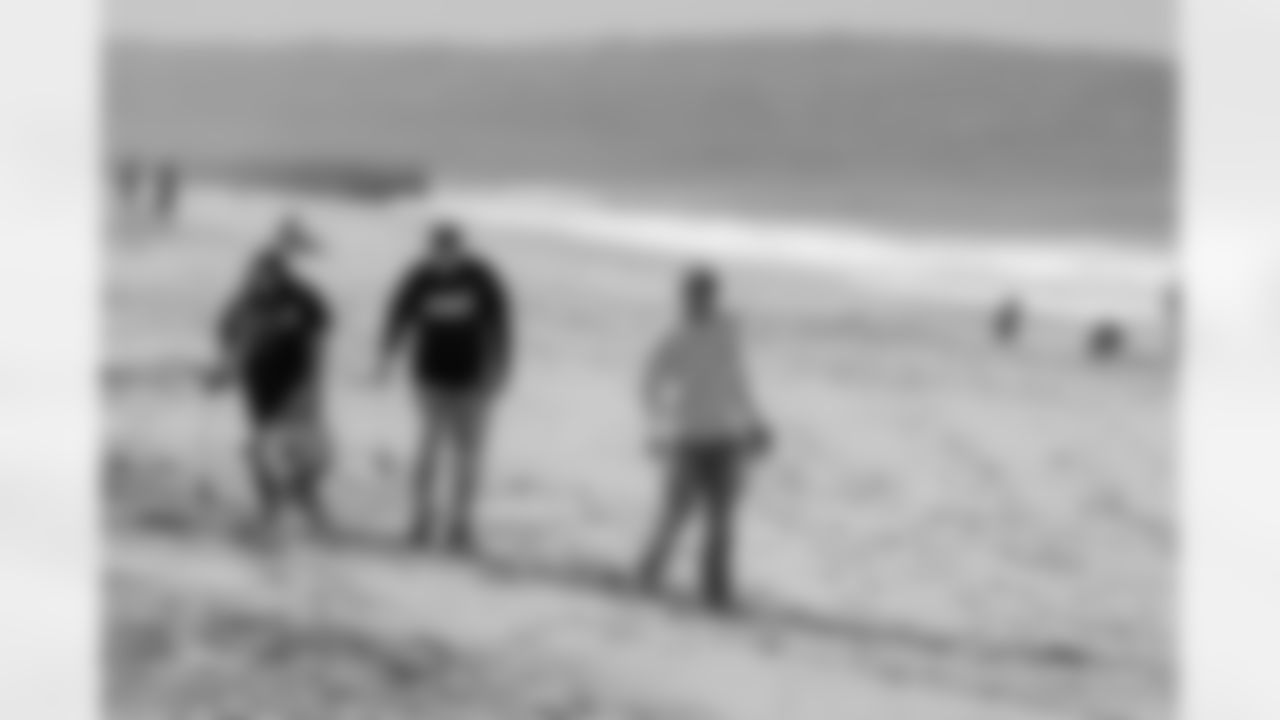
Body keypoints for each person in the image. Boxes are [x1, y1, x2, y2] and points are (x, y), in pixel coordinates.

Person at [639, 265, 772, 611]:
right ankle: (648, 576)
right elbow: (650, 381)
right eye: (692, 294)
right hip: (688, 439)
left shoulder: (728, 332)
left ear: (712, 296)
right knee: (674, 515)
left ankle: (716, 592)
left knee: (722, 520)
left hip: (726, 439)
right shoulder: (676, 337)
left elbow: (738, 381)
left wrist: (754, 422)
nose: (696, 300)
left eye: (703, 294)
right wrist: (657, 425)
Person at [379, 221, 514, 553]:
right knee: (428, 451)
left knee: (468, 456)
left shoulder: (481, 278)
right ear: (431, 250)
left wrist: (501, 369)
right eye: (438, 251)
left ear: (460, 249)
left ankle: (460, 526)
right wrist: (386, 356)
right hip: (430, 379)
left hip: (473, 381)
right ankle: (421, 521)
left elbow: (501, 326)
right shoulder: (420, 278)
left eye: (449, 250)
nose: (443, 257)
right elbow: (397, 317)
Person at [213, 218, 334, 536]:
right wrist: (225, 369)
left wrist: (314, 379)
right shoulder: (244, 302)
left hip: (297, 386)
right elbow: (227, 335)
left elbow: (321, 326)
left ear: (281, 275)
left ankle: (307, 506)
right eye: (259, 274)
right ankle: (270, 509)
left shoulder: (301, 299)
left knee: (300, 452)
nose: (263, 280)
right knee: (259, 450)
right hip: (259, 387)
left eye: (269, 275)